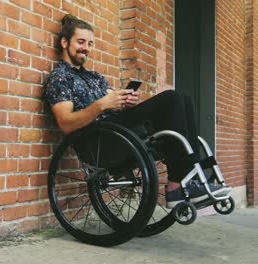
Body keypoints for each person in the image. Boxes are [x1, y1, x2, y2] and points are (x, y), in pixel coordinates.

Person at [43, 14, 230, 208]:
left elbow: (112, 101)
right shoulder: (59, 78)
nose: (86, 48)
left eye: (90, 43)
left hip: (119, 131)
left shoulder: (94, 77)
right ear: (65, 42)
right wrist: (102, 104)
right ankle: (178, 187)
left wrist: (124, 102)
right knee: (171, 97)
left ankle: (191, 180)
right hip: (99, 142)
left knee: (185, 100)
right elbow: (66, 124)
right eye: (81, 42)